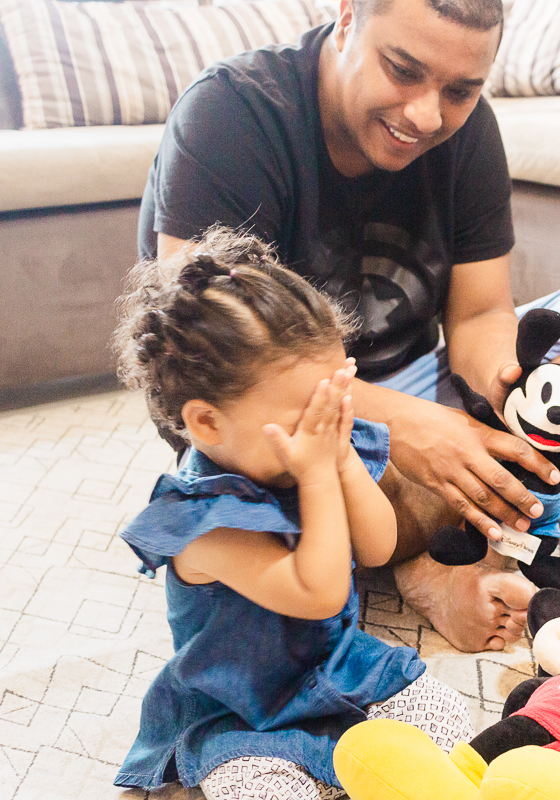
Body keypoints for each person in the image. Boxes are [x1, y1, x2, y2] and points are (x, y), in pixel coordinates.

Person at [138, 0, 560, 653]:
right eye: (402, 70)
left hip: (425, 375)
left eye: (460, 90)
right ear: (347, 19)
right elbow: (207, 364)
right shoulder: (231, 116)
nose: (427, 116)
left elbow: (480, 316)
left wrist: (528, 389)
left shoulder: (469, 131)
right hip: (293, 405)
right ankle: (439, 557)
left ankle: (505, 494)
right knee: (270, 470)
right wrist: (413, 430)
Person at [111, 229, 475, 799]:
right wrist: (316, 475)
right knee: (264, 790)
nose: (327, 424)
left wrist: (343, 462)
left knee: (448, 719)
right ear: (207, 424)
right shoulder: (201, 524)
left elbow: (378, 546)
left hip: (341, 669)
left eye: (334, 400)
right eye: (310, 412)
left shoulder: (319, 454)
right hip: (245, 711)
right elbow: (319, 591)